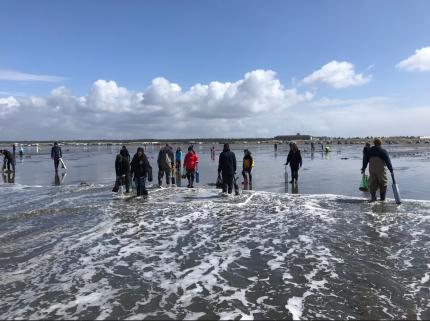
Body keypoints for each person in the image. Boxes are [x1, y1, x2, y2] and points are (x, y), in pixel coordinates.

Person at [361, 138, 394, 202]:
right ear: (381, 143)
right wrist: (391, 170)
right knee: (383, 183)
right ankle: (382, 199)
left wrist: (363, 168)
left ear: (374, 143)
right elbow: (388, 161)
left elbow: (365, 160)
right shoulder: (383, 151)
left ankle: (373, 198)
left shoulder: (369, 151)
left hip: (372, 170)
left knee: (372, 183)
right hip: (381, 170)